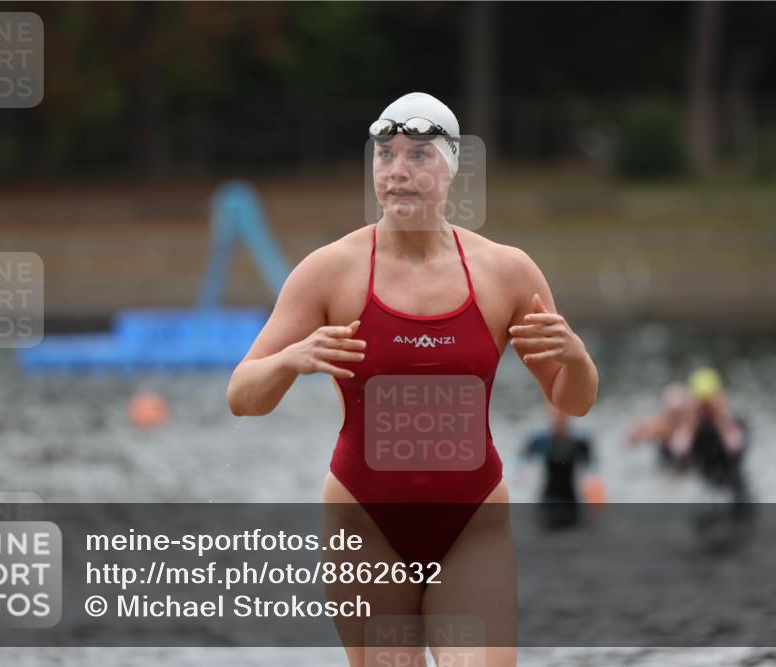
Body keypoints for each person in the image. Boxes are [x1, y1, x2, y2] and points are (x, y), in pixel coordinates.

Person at [226, 92, 598, 667]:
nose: (398, 171)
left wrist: (575, 359)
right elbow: (241, 398)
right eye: (386, 155)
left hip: (471, 523)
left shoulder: (505, 272)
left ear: (451, 169)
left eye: (419, 155)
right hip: (363, 523)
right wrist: (290, 359)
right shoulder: (330, 271)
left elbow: (573, 403)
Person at [630, 368, 750, 503]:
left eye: (709, 402)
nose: (706, 408)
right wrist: (690, 420)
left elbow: (735, 447)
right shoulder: (690, 425)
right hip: (705, 492)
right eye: (701, 402)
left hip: (734, 491)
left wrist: (721, 416)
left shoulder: (734, 422)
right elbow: (678, 451)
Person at [521, 404, 605, 527]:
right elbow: (520, 462)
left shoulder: (580, 442)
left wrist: (594, 492)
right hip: (548, 499)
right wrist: (523, 476)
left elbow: (593, 471)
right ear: (548, 416)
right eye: (555, 415)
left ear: (570, 416)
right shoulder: (540, 441)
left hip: (572, 500)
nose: (558, 419)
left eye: (562, 415)